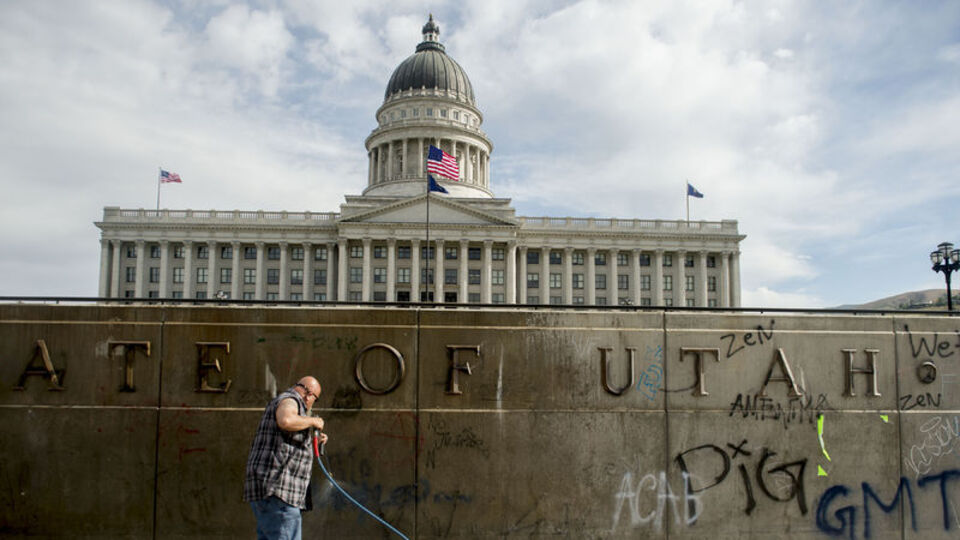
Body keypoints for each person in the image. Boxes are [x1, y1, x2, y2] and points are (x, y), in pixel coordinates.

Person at [244, 376, 328, 540]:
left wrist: (311, 439)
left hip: (269, 490)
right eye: (315, 399)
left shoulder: (286, 403)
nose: (312, 403)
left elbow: (285, 437)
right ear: (309, 394)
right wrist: (314, 421)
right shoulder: (290, 400)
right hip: (279, 492)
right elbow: (286, 420)